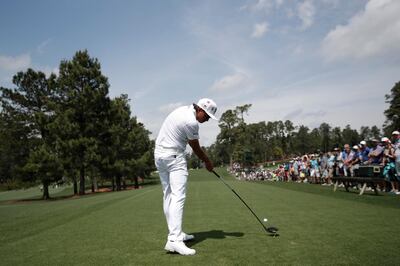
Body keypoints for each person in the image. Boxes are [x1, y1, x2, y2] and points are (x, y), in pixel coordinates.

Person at [154, 98, 218, 255]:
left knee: (168, 195)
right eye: (208, 116)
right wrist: (208, 162)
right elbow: (195, 147)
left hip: (159, 156)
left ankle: (174, 236)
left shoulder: (182, 110)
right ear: (200, 110)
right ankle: (175, 239)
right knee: (178, 197)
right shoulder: (192, 122)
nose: (208, 119)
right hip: (174, 158)